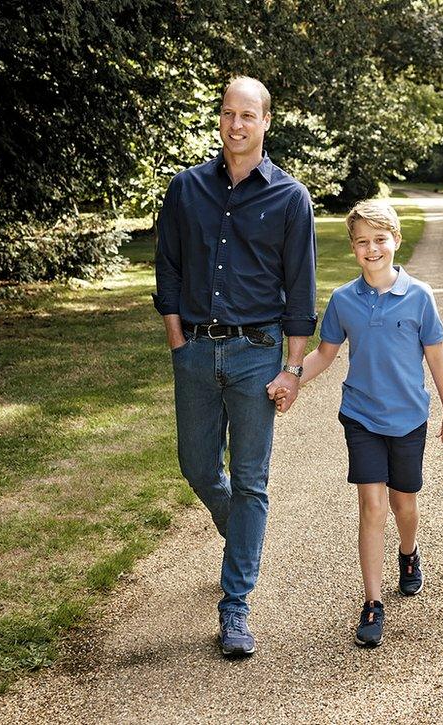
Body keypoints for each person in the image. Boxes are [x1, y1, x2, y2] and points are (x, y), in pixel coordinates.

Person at [153, 77, 316, 657]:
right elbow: (167, 269)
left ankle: (235, 606)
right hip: (195, 350)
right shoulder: (186, 188)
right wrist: (178, 341)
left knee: (251, 480)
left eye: (248, 115)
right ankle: (240, 538)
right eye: (228, 113)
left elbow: (301, 292)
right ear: (220, 119)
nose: (236, 124)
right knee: (197, 466)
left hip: (256, 354)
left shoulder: (292, 199)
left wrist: (293, 368)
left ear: (266, 122)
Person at [271, 200, 443, 648]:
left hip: (409, 417)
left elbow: (437, 357)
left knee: (404, 505)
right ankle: (373, 602)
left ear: (396, 240)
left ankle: (409, 553)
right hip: (361, 416)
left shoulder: (419, 296)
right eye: (362, 242)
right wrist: (290, 377)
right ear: (353, 248)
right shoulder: (343, 300)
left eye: (380, 239)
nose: (372, 249)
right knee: (372, 508)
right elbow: (325, 354)